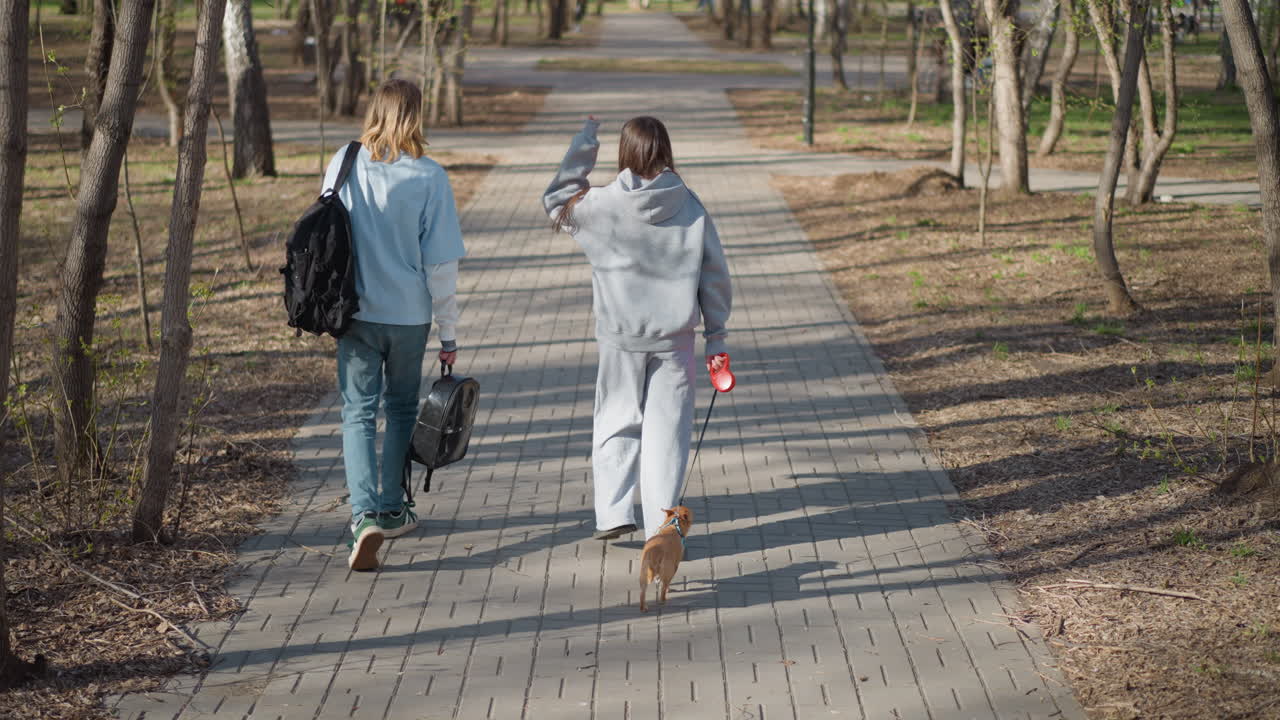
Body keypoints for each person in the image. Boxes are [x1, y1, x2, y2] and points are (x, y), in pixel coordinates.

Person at [543, 116, 732, 541]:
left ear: (624, 152)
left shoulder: (601, 204)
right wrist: (716, 337)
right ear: (666, 150)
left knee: (615, 420)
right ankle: (661, 526)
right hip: (675, 341)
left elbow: (555, 200)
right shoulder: (690, 205)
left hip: (620, 339)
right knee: (668, 433)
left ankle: (613, 514)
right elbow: (714, 274)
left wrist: (585, 142)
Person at [321, 79, 465, 571]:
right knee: (401, 408)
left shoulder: (344, 163)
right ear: (416, 115)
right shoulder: (430, 176)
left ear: (375, 111)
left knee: (357, 413)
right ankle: (391, 507)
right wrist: (448, 333)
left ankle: (363, 517)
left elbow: (328, 234)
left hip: (355, 311)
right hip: (409, 315)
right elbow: (441, 265)